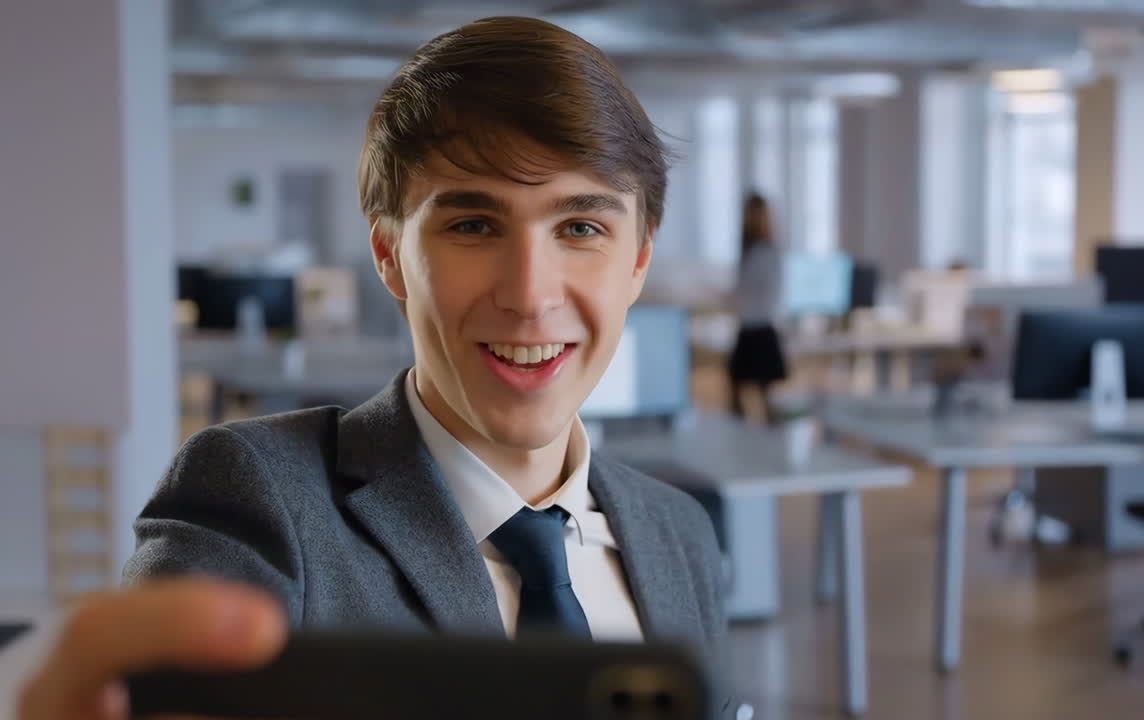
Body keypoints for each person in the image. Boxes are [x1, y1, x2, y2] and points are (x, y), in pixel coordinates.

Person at [19, 17, 728, 720]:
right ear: (389, 255)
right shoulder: (261, 500)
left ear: (639, 258)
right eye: (473, 226)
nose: (529, 295)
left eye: (581, 228)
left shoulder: (679, 533)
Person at [728, 192, 788, 420]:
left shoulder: (767, 253)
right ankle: (743, 439)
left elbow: (761, 296)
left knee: (766, 399)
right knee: (737, 393)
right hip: (748, 328)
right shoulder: (750, 251)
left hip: (761, 329)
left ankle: (770, 444)